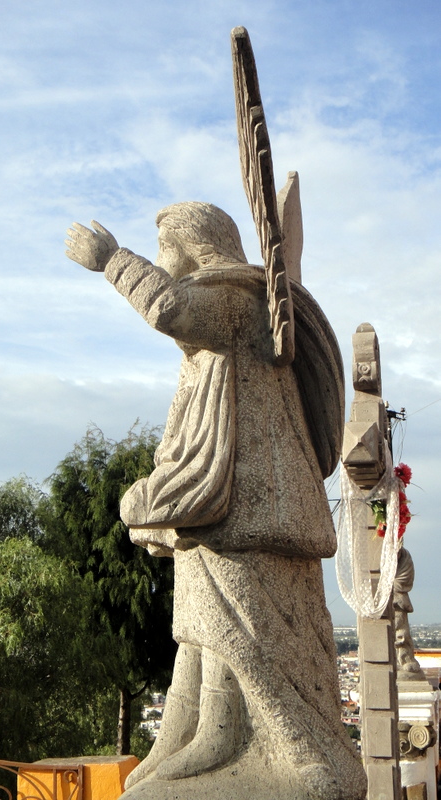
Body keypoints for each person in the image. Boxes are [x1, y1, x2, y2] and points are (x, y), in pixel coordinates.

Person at [66, 202, 366, 800]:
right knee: (206, 636)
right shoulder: (232, 319)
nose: (159, 259)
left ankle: (306, 758)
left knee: (251, 638)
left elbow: (169, 308)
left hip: (250, 515)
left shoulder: (234, 298)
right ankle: (210, 737)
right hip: (219, 513)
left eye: (162, 246)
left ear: (192, 244)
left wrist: (110, 261)